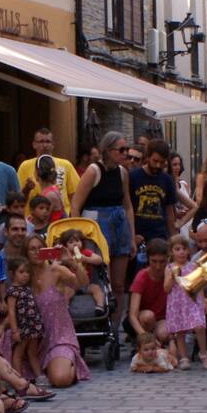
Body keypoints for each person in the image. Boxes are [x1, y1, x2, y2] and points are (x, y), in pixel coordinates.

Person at [71, 131, 135, 322]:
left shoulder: (123, 173)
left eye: (127, 149)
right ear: (108, 151)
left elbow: (128, 205)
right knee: (99, 278)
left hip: (119, 223)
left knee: (118, 284)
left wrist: (132, 235)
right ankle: (98, 319)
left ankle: (114, 328)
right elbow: (76, 203)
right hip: (97, 225)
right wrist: (77, 235)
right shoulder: (93, 171)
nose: (125, 154)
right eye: (121, 150)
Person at [27, 237, 89, 388]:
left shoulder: (56, 271)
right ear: (26, 253)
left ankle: (72, 363)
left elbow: (82, 283)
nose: (36, 252)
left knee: (60, 379)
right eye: (32, 249)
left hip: (59, 337)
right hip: (33, 340)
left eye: (39, 248)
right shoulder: (23, 275)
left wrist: (72, 262)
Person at [163, 235, 207, 370]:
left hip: (192, 301)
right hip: (177, 303)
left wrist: (202, 302)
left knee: (199, 326)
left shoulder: (193, 266)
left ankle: (204, 353)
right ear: (171, 252)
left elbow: (199, 285)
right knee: (180, 331)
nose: (181, 252)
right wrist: (173, 277)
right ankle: (184, 357)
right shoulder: (169, 268)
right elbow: (166, 288)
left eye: (184, 249)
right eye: (177, 249)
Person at [16, 127, 79, 213]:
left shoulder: (66, 165)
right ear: (34, 144)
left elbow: (75, 197)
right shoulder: (25, 166)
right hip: (33, 221)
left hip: (60, 221)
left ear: (53, 144)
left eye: (48, 141)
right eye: (41, 141)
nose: (45, 145)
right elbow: (18, 200)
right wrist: (27, 189)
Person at [2, 255, 44, 379]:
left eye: (27, 272)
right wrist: (15, 330)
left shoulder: (27, 289)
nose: (25, 275)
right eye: (21, 272)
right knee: (19, 352)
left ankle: (39, 376)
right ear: (11, 273)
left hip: (33, 325)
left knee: (33, 352)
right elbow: (11, 311)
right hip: (23, 326)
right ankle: (18, 379)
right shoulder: (12, 291)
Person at [129, 139, 177, 247]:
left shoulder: (167, 180)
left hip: (160, 237)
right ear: (147, 157)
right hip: (138, 236)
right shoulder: (133, 177)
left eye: (162, 162)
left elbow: (170, 213)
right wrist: (131, 237)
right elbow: (127, 209)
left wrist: (173, 241)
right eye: (155, 161)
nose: (158, 165)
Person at [127, 237, 171, 347]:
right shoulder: (142, 276)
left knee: (165, 334)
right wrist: (145, 338)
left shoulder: (172, 274)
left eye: (162, 262)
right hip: (143, 319)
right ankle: (144, 342)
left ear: (168, 259)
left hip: (162, 319)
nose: (158, 266)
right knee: (148, 316)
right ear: (148, 259)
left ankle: (157, 344)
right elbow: (132, 315)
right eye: (154, 261)